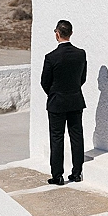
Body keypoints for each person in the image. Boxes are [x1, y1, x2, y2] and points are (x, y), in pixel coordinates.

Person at [40, 20, 87, 186]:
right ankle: (76, 173)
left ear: (57, 34)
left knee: (57, 138)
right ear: (71, 34)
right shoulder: (81, 54)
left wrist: (54, 94)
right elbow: (82, 78)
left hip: (57, 103)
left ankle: (58, 176)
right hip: (75, 100)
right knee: (76, 136)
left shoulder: (51, 57)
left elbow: (45, 82)